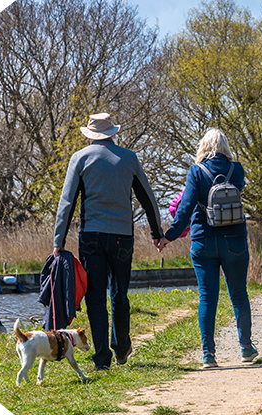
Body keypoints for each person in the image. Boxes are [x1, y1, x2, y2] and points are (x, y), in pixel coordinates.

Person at [53, 113, 163, 370]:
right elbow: (148, 198)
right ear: (112, 132)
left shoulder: (80, 158)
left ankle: (102, 358)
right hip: (122, 236)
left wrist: (59, 241)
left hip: (91, 236)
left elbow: (67, 203)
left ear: (90, 134)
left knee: (95, 297)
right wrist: (157, 233)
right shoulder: (129, 158)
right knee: (119, 294)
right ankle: (122, 349)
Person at [158, 128, 258, 368]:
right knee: (239, 295)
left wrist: (167, 237)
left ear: (203, 147)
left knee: (207, 297)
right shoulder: (237, 169)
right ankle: (245, 347)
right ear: (225, 147)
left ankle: (208, 355)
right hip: (234, 240)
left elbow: (185, 208)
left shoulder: (196, 171)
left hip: (203, 241)